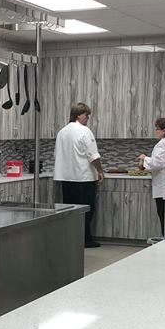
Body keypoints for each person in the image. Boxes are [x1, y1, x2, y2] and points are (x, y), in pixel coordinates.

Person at [54, 102, 104, 248]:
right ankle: (85, 239)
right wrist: (100, 171)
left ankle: (71, 239)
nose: (87, 118)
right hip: (83, 177)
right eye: (86, 115)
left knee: (70, 211)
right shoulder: (84, 131)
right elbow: (92, 155)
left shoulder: (62, 132)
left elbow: (57, 154)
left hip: (66, 178)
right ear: (78, 115)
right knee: (86, 210)